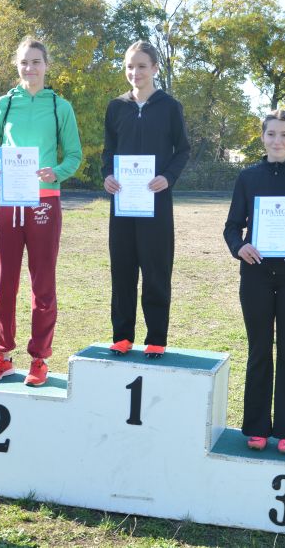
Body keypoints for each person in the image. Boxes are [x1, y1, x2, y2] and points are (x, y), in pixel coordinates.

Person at [0, 37, 82, 387]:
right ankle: (2, 356)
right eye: (24, 62)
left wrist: (57, 172)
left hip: (44, 202)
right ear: (16, 65)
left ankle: (39, 359)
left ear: (46, 65)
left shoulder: (59, 107)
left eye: (36, 61)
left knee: (43, 284)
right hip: (5, 200)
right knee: (2, 283)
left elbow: (74, 155)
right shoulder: (3, 105)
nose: (30, 68)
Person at [222, 110, 285, 454]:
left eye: (284, 135)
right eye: (271, 134)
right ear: (262, 137)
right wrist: (240, 247)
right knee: (259, 349)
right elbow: (232, 226)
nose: (277, 141)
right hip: (256, 275)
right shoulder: (247, 178)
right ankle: (256, 427)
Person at [102, 40, 190, 358]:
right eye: (130, 66)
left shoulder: (170, 107)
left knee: (156, 271)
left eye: (141, 66)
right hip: (123, 203)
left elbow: (183, 150)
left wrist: (168, 177)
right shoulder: (116, 107)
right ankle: (122, 336)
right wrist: (107, 175)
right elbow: (109, 151)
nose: (135, 72)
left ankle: (156, 338)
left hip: (156, 203)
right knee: (123, 271)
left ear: (154, 68)